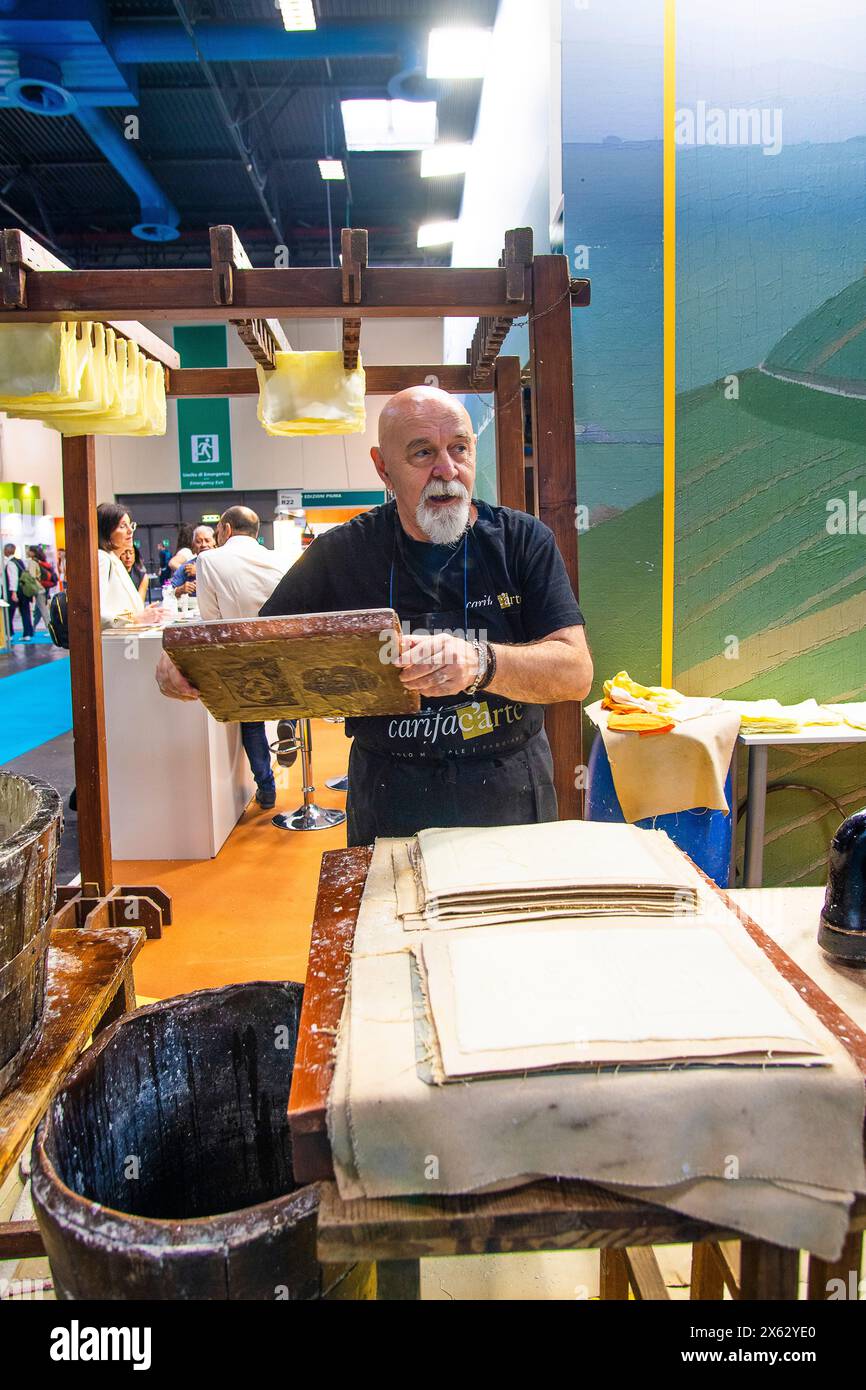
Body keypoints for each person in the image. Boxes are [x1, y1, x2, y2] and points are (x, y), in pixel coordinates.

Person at [157, 387, 593, 845]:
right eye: (423, 453)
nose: (446, 470)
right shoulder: (342, 553)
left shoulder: (523, 542)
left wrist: (480, 663)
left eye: (459, 448)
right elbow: (262, 646)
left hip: (509, 793)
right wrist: (189, 662)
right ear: (383, 467)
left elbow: (575, 673)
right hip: (392, 796)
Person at [157, 506, 286, 809]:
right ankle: (288, 721)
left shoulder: (209, 561)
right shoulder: (278, 558)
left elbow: (210, 619)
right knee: (286, 699)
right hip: (281, 651)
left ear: (226, 529)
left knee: (251, 722)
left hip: (239, 655)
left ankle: (266, 787)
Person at [96, 503, 162, 627]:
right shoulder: (103, 559)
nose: (130, 530)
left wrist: (143, 613)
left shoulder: (114, 560)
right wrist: (136, 618)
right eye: (122, 526)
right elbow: (98, 615)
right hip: (114, 643)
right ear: (106, 531)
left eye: (130, 525)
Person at [171, 524, 216, 597]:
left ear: (215, 543)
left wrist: (200, 572)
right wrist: (180, 590)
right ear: (193, 546)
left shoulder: (224, 562)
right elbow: (168, 592)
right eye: (198, 541)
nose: (203, 545)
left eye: (207, 541)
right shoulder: (186, 568)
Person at [3, 541, 33, 640]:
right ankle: (27, 634)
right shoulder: (19, 561)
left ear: (7, 551)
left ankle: (9, 634)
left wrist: (13, 593)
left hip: (15, 591)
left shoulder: (11, 563)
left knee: (9, 612)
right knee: (25, 612)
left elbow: (13, 578)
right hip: (24, 591)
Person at [26, 545, 53, 631]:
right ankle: (32, 629)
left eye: (29, 550)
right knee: (38, 611)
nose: (27, 552)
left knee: (43, 610)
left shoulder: (32, 562)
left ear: (33, 553)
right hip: (42, 588)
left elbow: (32, 576)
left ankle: (50, 630)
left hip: (38, 589)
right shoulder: (39, 561)